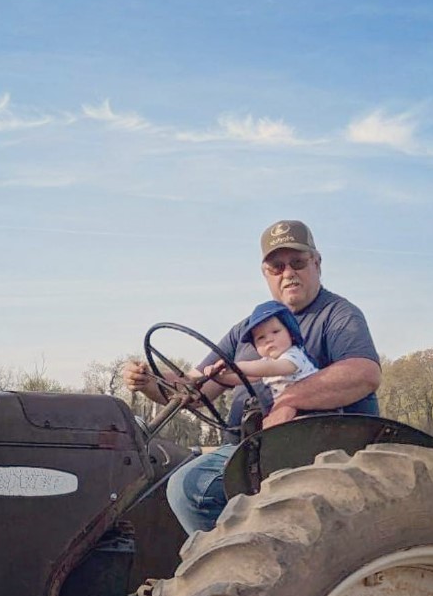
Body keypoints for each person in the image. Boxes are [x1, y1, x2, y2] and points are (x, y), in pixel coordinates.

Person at [122, 219, 382, 536]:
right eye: (277, 266)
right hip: (252, 448)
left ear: (317, 262)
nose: (288, 273)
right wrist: (150, 381)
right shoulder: (248, 329)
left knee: (190, 488)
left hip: (305, 449)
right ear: (265, 273)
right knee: (161, 477)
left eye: (297, 262)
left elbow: (363, 373)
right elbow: (194, 387)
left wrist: (289, 400)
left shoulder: (338, 314)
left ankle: (243, 577)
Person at [202, 300, 318, 398]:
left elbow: (271, 368)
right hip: (290, 406)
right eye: (260, 338)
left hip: (313, 406)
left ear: (291, 333)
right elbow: (243, 379)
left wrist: (234, 366)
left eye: (275, 332)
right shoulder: (266, 363)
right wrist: (217, 375)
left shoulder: (293, 356)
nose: (268, 339)